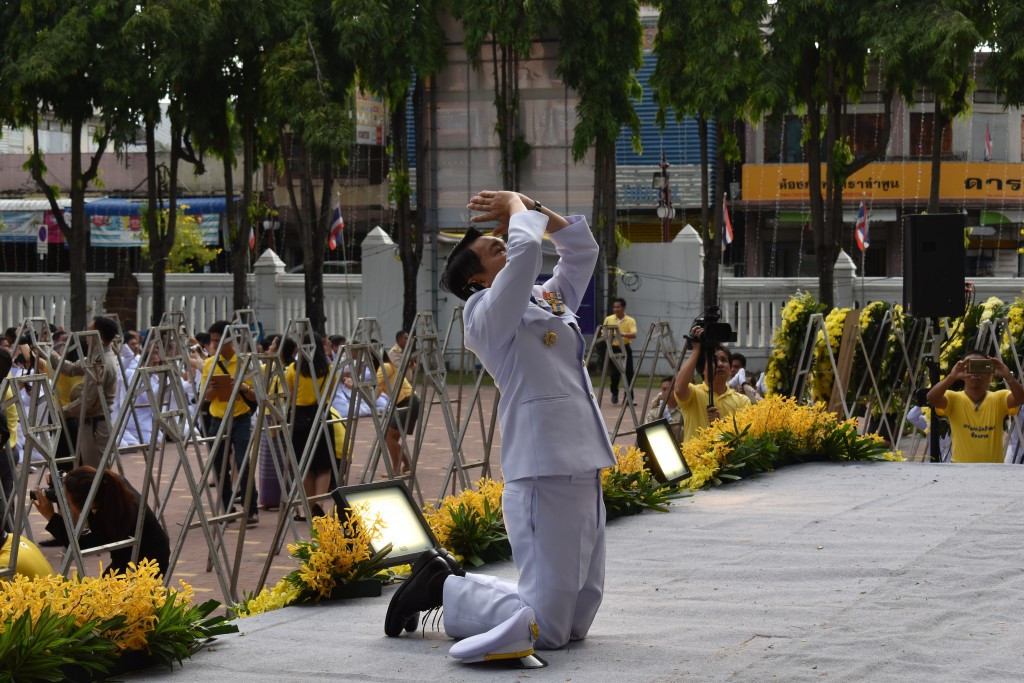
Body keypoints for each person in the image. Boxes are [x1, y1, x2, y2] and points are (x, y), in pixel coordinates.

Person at [385, 190, 616, 665]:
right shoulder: (484, 315)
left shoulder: (543, 298)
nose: (507, 245)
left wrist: (532, 206)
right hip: (542, 466)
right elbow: (528, 251)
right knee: (547, 630)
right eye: (495, 248)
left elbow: (582, 251)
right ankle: (445, 590)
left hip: (584, 457)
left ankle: (442, 580)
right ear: (476, 278)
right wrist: (514, 207)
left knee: (577, 619)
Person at [30, 466, 170, 576]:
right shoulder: (109, 486)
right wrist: (64, 479)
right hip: (133, 555)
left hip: (147, 566)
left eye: (66, 499)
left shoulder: (111, 519)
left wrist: (51, 516)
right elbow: (83, 483)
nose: (63, 500)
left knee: (103, 600)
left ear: (87, 504)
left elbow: (78, 546)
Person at [41, 316, 119, 468]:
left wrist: (63, 412)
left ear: (99, 337)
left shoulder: (102, 363)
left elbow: (87, 402)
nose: (85, 335)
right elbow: (70, 369)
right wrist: (46, 350)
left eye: (89, 331)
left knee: (95, 474)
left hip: (96, 426)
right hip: (90, 424)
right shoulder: (96, 357)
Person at [202, 320, 259, 524]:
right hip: (217, 419)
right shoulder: (209, 363)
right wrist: (215, 387)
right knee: (219, 467)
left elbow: (255, 397)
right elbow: (205, 397)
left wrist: (243, 387)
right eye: (212, 341)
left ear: (230, 341)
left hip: (240, 418)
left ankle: (250, 508)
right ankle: (227, 509)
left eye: (218, 341)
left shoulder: (244, 362)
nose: (214, 345)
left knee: (243, 462)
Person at [285, 333, 345, 520]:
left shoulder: (293, 369)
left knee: (306, 465)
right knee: (324, 465)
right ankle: (319, 503)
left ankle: (310, 504)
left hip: (299, 417)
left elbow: (290, 394)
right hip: (320, 414)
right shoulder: (328, 369)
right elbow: (331, 391)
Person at [926, 350, 1024, 463]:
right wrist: (952, 377)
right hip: (960, 469)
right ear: (962, 373)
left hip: (993, 470)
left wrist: (1009, 377)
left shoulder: (1000, 398)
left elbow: (1021, 399)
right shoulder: (953, 398)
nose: (976, 373)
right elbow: (931, 398)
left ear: (989, 374)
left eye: (981, 367)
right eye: (971, 367)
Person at [673, 327, 751, 442]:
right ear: (702, 369)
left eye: (724, 360)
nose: (720, 364)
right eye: (713, 361)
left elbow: (746, 436)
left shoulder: (742, 401)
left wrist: (722, 423)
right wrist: (696, 350)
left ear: (730, 369)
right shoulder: (694, 394)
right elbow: (679, 388)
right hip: (696, 460)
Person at [374, 356, 419, 475]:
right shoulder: (385, 367)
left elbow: (375, 389)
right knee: (392, 438)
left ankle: (395, 470)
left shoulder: (385, 367)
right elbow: (376, 393)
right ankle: (407, 463)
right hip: (406, 402)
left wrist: (354, 387)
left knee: (388, 436)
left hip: (407, 401)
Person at [602, 298, 637, 404]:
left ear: (623, 307)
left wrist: (621, 334)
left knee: (629, 373)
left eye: (618, 307)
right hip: (613, 348)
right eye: (614, 307)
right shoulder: (609, 319)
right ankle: (614, 393)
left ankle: (628, 398)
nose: (616, 309)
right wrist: (610, 336)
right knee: (615, 374)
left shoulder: (630, 320)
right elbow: (603, 334)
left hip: (625, 348)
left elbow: (634, 334)